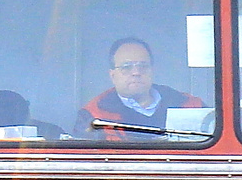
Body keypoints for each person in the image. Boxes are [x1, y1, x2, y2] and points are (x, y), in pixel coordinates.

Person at [75, 38, 205, 139]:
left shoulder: (188, 105)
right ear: (112, 75)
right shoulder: (93, 116)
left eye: (143, 66)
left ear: (152, 70)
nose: (136, 72)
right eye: (126, 67)